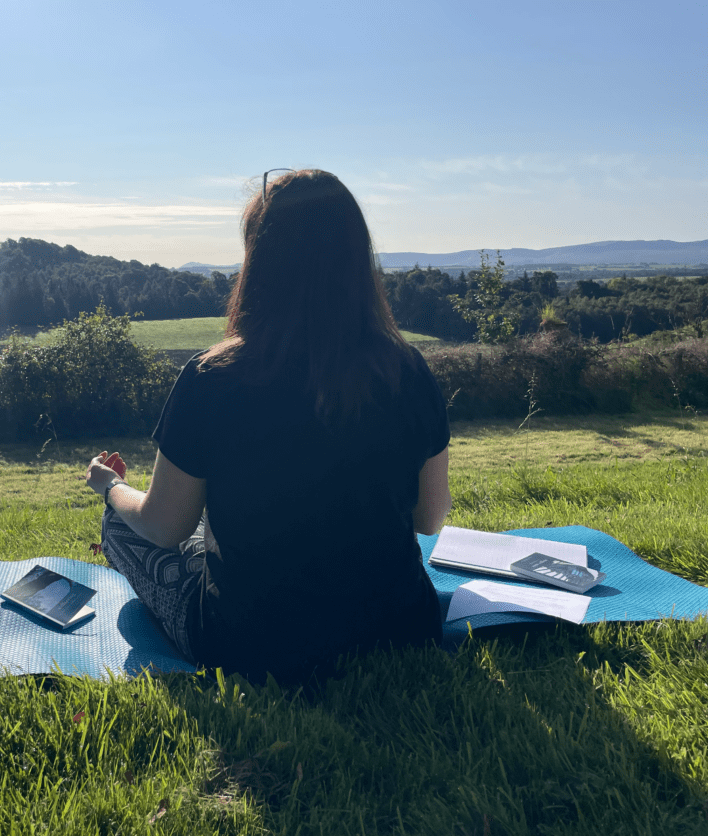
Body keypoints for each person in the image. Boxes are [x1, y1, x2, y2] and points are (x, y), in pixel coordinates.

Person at [84, 169, 451, 685]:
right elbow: (430, 518)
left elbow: (165, 527)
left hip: (249, 643)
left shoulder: (210, 377)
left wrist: (111, 486)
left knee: (120, 524)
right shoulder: (408, 370)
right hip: (401, 628)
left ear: (259, 261)